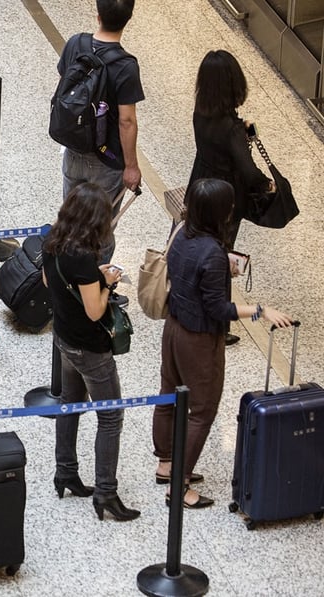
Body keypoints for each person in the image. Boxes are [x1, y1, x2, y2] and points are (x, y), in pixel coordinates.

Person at [152, 178, 291, 508]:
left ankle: (165, 463)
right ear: (220, 212)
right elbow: (219, 309)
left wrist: (219, 267)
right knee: (202, 410)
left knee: (168, 395)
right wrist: (260, 310)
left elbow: (190, 271)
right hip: (199, 339)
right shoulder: (213, 252)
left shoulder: (183, 230)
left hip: (173, 327)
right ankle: (179, 485)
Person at [41, 182, 139, 522]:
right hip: (89, 348)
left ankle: (65, 471)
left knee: (70, 404)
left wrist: (91, 279)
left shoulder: (53, 240)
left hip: (63, 338)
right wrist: (106, 281)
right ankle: (106, 492)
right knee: (110, 416)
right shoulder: (83, 257)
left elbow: (46, 282)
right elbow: (96, 311)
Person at [188, 49, 274, 346]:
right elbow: (248, 172)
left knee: (199, 247)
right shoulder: (231, 128)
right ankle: (219, 325)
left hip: (200, 184)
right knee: (221, 255)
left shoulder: (200, 111)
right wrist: (268, 186)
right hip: (225, 198)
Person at [58, 0, 144, 262]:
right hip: (106, 161)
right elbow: (126, 121)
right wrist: (131, 166)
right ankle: (96, 286)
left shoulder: (75, 43)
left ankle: (63, 279)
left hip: (73, 148)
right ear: (129, 19)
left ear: (97, 15)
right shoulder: (126, 65)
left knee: (69, 219)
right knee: (100, 231)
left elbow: (64, 87)